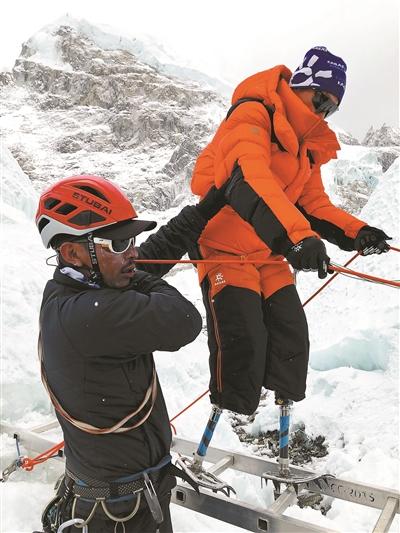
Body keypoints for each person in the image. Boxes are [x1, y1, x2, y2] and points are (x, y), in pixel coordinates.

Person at [190, 46, 391, 416]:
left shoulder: (306, 148)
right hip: (223, 248)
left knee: (290, 339)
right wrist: (297, 238)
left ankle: (281, 443)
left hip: (267, 252)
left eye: (332, 107)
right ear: (301, 84)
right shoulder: (252, 114)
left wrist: (358, 232)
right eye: (320, 99)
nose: (323, 111)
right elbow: (249, 180)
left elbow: (313, 205)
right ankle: (212, 437)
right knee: (243, 342)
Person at [35, 174, 227, 532]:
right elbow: (183, 319)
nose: (133, 253)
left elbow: (146, 260)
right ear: (73, 252)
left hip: (120, 501)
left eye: (132, 240)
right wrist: (137, 274)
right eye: (120, 242)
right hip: (119, 515)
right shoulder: (90, 315)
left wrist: (202, 213)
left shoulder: (71, 294)